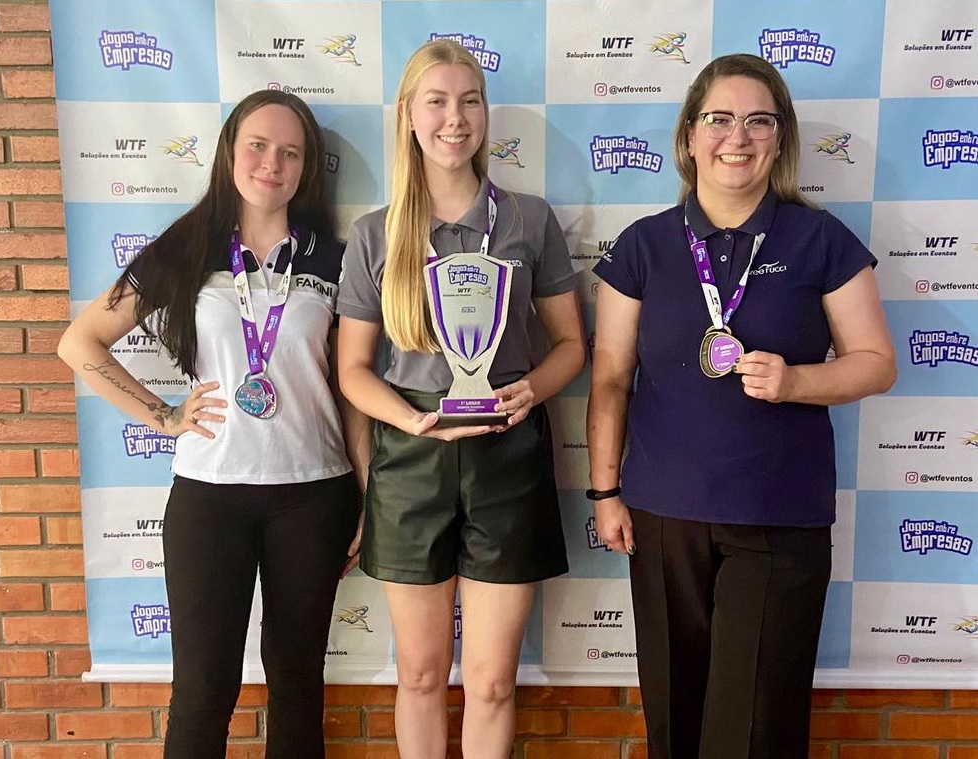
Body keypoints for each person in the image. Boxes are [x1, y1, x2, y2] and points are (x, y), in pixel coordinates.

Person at [586, 53, 896, 759]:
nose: (738, 136)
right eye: (719, 119)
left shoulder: (820, 239)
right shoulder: (642, 245)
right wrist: (603, 491)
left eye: (759, 121)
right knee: (673, 720)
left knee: (755, 730)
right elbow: (609, 379)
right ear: (689, 136)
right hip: (663, 516)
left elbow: (877, 363)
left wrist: (795, 382)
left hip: (777, 517)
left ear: (780, 139)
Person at [57, 90, 368, 759]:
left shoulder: (334, 260)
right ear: (230, 151)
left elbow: (351, 388)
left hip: (314, 495)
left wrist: (367, 494)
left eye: (290, 152)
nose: (272, 164)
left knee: (297, 685)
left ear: (307, 167)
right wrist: (164, 415)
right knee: (203, 689)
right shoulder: (187, 247)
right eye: (258, 145)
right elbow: (80, 342)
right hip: (209, 496)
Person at [336, 39, 585, 759]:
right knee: (418, 674)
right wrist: (412, 420)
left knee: (493, 681)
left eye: (470, 101)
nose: (455, 118)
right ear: (408, 115)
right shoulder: (375, 233)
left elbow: (572, 345)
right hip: (410, 457)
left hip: (508, 450)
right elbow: (353, 370)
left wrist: (532, 389)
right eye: (437, 102)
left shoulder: (529, 219)